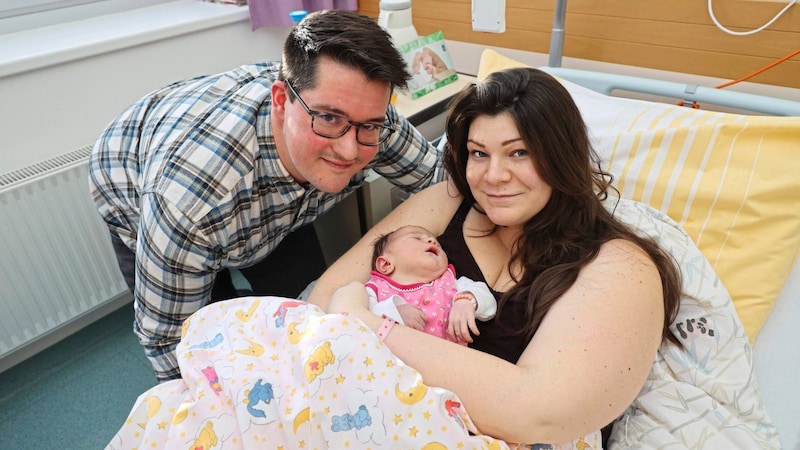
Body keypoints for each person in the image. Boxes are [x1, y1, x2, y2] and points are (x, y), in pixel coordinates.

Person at [307, 67, 780, 448]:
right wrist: (347, 316)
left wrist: (371, 326)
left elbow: (535, 411)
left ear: (560, 155)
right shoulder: (449, 202)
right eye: (478, 153)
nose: (494, 176)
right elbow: (327, 295)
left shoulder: (618, 265)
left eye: (519, 153)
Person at [88, 10, 447, 382]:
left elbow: (437, 179)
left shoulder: (369, 119)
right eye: (328, 118)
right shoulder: (189, 208)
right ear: (280, 101)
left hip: (261, 196)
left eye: (368, 126)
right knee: (214, 335)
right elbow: (171, 344)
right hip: (131, 179)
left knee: (305, 308)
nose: (348, 151)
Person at [366, 224, 496, 344]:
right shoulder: (376, 289)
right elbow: (359, 316)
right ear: (386, 264)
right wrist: (395, 311)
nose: (432, 241)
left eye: (438, 244)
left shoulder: (451, 284)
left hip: (443, 363)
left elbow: (489, 304)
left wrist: (467, 301)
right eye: (417, 238)